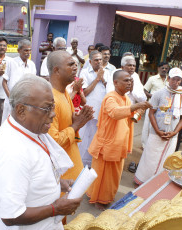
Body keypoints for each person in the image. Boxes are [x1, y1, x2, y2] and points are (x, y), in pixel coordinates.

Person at [0, 76, 82, 230]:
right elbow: (11, 216)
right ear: (21, 110)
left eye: (53, 107)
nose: (53, 114)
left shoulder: (30, 129)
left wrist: (56, 184)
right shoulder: (12, 151)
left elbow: (33, 172)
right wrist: (56, 209)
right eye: (46, 108)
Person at [86, 70, 151, 210]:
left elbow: (130, 118)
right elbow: (115, 113)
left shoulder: (126, 99)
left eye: (130, 80)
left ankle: (106, 196)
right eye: (126, 80)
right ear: (115, 83)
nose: (129, 83)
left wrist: (140, 111)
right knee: (102, 175)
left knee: (113, 176)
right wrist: (137, 106)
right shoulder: (110, 98)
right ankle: (98, 199)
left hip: (119, 143)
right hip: (107, 144)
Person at [135, 68, 182, 185]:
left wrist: (175, 133)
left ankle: (156, 184)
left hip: (172, 136)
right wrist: (158, 131)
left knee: (165, 160)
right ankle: (142, 181)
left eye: (178, 80)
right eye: (174, 79)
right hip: (156, 133)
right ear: (168, 79)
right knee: (149, 158)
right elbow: (151, 113)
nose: (176, 82)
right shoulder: (158, 94)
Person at [48, 50, 94, 182]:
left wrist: (79, 120)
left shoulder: (65, 93)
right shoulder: (51, 100)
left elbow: (67, 123)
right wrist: (76, 125)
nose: (75, 67)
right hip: (62, 177)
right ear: (56, 70)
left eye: (76, 64)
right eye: (71, 65)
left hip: (71, 162)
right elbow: (53, 141)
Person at [78, 50, 110, 167]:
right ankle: (79, 164)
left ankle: (91, 164)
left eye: (100, 59)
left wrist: (103, 79)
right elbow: (84, 92)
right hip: (88, 111)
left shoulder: (107, 73)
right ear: (90, 61)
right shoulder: (85, 72)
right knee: (83, 139)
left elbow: (111, 91)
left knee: (95, 139)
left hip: (102, 112)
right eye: (96, 60)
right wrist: (97, 79)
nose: (99, 62)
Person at [2, 39, 36, 122]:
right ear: (19, 50)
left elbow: (33, 84)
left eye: (30, 50)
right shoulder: (11, 62)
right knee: (8, 123)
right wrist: (11, 99)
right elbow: (4, 82)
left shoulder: (31, 65)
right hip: (11, 101)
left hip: (26, 102)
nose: (28, 53)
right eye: (25, 50)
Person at [141, 62, 169, 148]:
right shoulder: (152, 79)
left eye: (166, 68)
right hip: (152, 105)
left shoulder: (169, 80)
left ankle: (155, 144)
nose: (164, 70)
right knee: (148, 124)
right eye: (162, 68)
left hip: (164, 106)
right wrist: (153, 97)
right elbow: (145, 90)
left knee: (160, 124)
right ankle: (145, 145)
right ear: (158, 69)